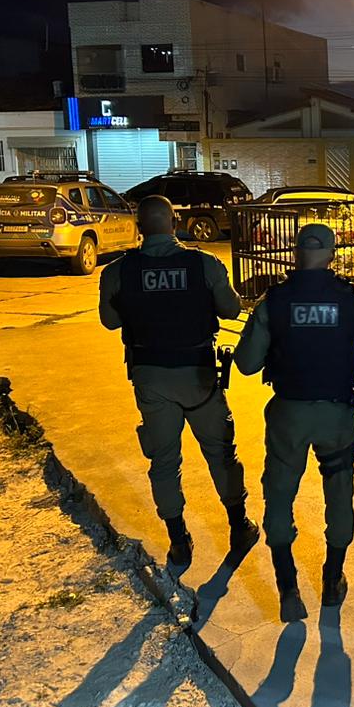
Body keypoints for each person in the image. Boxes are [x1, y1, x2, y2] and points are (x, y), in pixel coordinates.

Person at [233, 223, 354, 622]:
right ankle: (332, 580)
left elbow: (247, 364)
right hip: (338, 415)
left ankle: (287, 586)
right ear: (332, 254)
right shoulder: (351, 299)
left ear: (294, 253)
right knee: (339, 494)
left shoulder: (274, 300)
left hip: (289, 414)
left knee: (279, 493)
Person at [98, 195, 259, 578]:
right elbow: (231, 310)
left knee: (164, 460)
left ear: (139, 228)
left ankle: (178, 540)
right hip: (198, 376)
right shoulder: (203, 263)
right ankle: (239, 527)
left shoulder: (118, 271)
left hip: (151, 377)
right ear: (174, 224)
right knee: (221, 452)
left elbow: (110, 321)